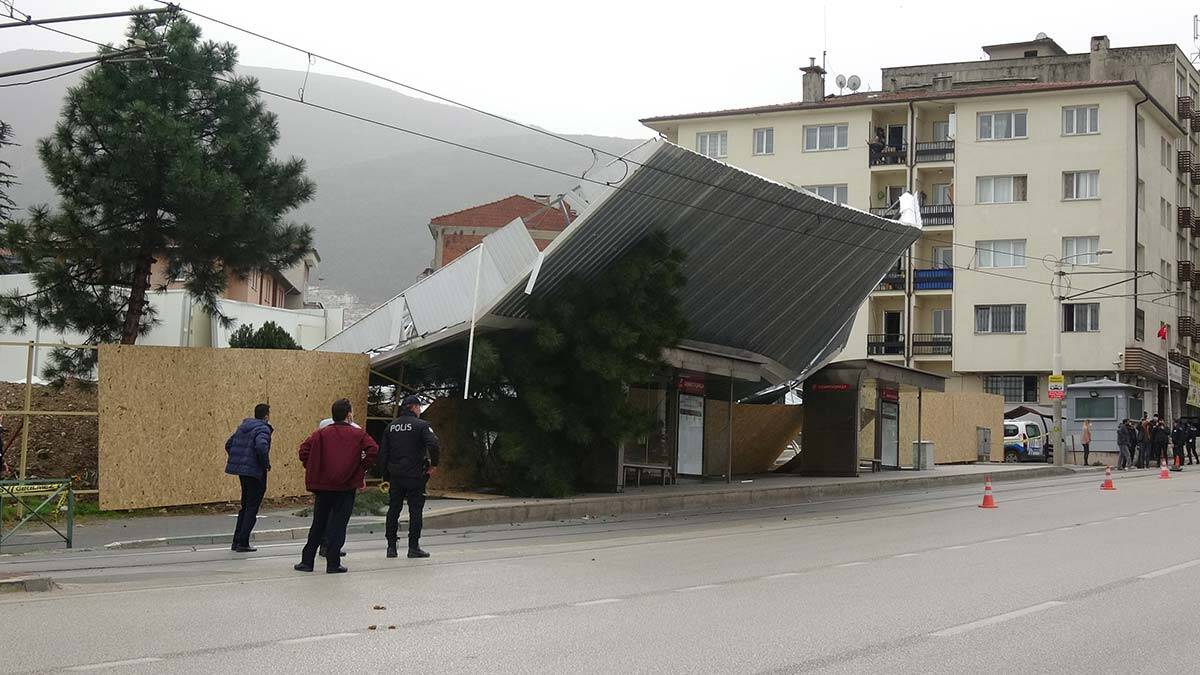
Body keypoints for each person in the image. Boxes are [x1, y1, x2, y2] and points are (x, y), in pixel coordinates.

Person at [295, 399, 378, 574]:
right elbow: (373, 450)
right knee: (338, 524)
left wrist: (312, 466)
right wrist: (360, 467)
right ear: (349, 414)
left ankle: (307, 561)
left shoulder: (320, 434)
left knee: (318, 523)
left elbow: (303, 451)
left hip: (322, 486)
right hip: (346, 486)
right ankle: (333, 562)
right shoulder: (358, 434)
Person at [379, 395, 439, 559]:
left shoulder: (391, 427)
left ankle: (391, 547)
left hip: (395, 475)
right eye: (419, 407)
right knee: (415, 511)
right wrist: (434, 465)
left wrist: (385, 477)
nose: (420, 411)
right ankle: (413, 547)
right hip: (415, 476)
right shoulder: (422, 425)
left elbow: (383, 453)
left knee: (394, 510)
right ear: (414, 407)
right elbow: (433, 444)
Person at [225, 403, 272, 553]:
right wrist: (265, 464)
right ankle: (243, 542)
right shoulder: (263, 428)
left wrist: (240, 459)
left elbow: (229, 444)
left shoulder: (243, 427)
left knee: (245, 505)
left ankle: (236, 540)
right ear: (266, 416)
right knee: (252, 507)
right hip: (255, 472)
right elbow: (261, 447)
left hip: (242, 472)